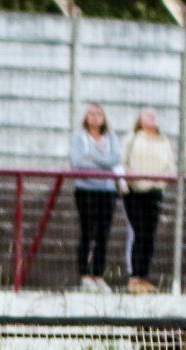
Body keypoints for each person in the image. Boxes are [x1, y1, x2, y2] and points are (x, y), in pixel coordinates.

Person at [121, 108, 175, 294]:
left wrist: (162, 180)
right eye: (147, 115)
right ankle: (134, 276)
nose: (152, 118)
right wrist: (127, 182)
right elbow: (123, 161)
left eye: (154, 115)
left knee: (150, 235)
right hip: (135, 191)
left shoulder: (163, 140)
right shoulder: (132, 138)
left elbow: (170, 164)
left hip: (155, 191)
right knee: (139, 232)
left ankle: (144, 276)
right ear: (140, 119)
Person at [69, 103, 122, 293]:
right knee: (87, 232)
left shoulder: (111, 137)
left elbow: (115, 159)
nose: (94, 117)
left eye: (98, 113)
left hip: (107, 190)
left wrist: (93, 158)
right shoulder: (79, 137)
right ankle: (85, 275)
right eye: (91, 113)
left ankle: (99, 275)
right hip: (86, 189)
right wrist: (100, 163)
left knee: (103, 235)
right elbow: (77, 161)